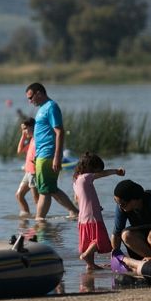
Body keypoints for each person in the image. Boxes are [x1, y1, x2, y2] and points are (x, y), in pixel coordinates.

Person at [25, 82, 77, 221]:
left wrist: (57, 157)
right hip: (41, 154)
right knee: (51, 189)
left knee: (44, 190)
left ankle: (39, 220)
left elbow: (60, 132)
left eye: (31, 97)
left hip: (48, 154)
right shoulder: (42, 108)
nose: (30, 101)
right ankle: (74, 212)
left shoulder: (51, 107)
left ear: (39, 93)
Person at [72, 152, 124, 270]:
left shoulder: (76, 180)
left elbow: (77, 199)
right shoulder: (86, 177)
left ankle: (90, 264)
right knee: (100, 239)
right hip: (92, 215)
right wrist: (116, 171)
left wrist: (95, 205)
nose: (97, 172)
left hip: (82, 216)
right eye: (96, 170)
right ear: (90, 169)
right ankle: (85, 255)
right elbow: (102, 174)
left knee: (88, 240)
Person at [110, 179, 151, 258]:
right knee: (126, 235)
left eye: (122, 203)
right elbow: (117, 234)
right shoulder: (121, 208)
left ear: (134, 199)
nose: (119, 206)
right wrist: (115, 256)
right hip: (142, 241)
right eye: (117, 202)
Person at [15, 118, 39, 217]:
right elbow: (19, 150)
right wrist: (23, 136)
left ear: (32, 127)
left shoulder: (37, 139)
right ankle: (26, 215)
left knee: (36, 198)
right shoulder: (31, 140)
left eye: (25, 128)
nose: (24, 131)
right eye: (22, 129)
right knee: (19, 195)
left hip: (34, 173)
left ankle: (40, 217)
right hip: (27, 173)